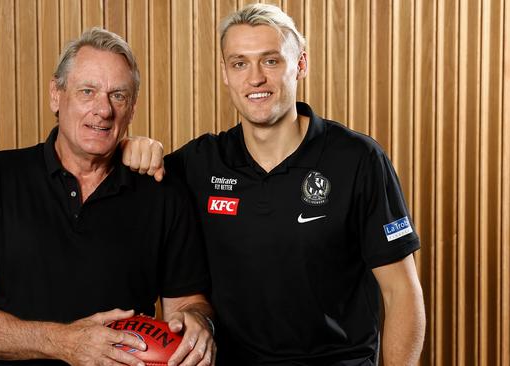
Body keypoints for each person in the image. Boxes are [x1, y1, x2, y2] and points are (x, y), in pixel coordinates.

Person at [122, 4, 425, 365]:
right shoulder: (201, 163)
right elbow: (132, 186)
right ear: (224, 73)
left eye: (270, 61)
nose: (255, 79)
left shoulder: (358, 160)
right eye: (239, 63)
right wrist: (131, 148)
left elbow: (401, 293)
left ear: (300, 65)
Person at [0, 27, 215, 366]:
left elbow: (187, 304)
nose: (103, 110)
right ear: (56, 95)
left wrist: (199, 324)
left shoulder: (162, 193)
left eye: (118, 96)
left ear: (131, 109)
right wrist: (64, 343)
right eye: (88, 91)